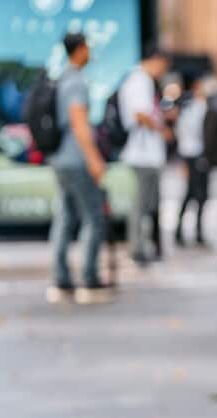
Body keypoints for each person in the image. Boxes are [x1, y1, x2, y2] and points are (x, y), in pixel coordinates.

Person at [46, 32, 113, 305]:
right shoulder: (76, 83)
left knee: (65, 217)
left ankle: (61, 278)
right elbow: (79, 123)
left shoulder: (62, 78)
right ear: (80, 49)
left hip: (61, 159)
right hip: (77, 159)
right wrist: (94, 158)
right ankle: (88, 278)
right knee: (93, 218)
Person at [119, 47, 171, 265]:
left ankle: (143, 246)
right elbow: (140, 114)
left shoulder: (143, 81)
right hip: (142, 155)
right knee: (141, 205)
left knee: (148, 204)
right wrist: (161, 128)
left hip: (147, 154)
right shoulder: (139, 81)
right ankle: (137, 248)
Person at [175, 76, 211, 247]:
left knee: (196, 195)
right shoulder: (195, 107)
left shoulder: (188, 107)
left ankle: (189, 231)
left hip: (194, 154)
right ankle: (189, 232)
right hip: (195, 154)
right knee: (195, 194)